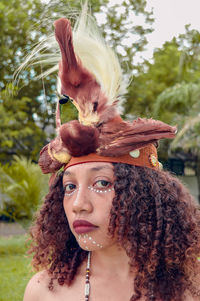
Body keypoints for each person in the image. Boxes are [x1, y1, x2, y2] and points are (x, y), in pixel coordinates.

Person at [23, 4, 200, 301]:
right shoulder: (45, 291)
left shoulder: (191, 287)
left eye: (102, 183)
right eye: (69, 187)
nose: (79, 205)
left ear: (142, 196)